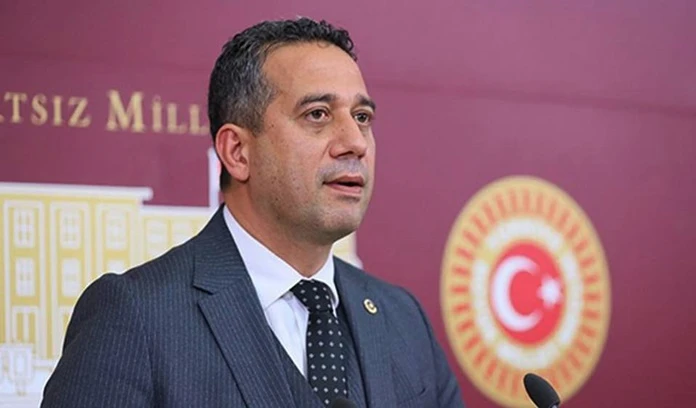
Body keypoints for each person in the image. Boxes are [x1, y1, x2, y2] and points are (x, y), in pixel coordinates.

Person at [41, 17, 464, 408]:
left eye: (362, 116)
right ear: (238, 152)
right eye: (317, 114)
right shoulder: (136, 316)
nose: (355, 142)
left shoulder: (403, 318)